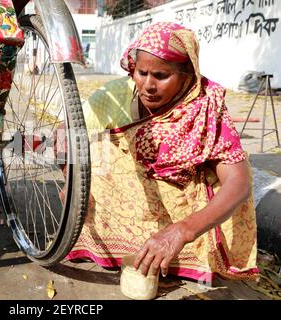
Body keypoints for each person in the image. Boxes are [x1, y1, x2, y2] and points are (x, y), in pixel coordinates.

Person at [66, 22, 259, 283]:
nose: (148, 86)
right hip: (130, 198)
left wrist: (183, 231)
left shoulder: (205, 106)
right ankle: (114, 246)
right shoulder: (113, 97)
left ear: (187, 75)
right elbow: (66, 140)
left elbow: (239, 183)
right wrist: (70, 183)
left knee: (228, 174)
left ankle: (185, 254)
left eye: (161, 76)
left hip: (184, 208)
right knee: (97, 152)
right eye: (141, 73)